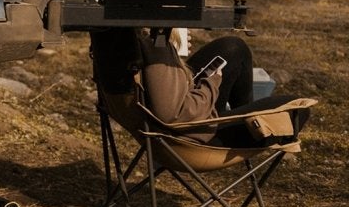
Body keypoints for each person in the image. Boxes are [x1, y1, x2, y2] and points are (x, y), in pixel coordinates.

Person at [89, 28, 265, 146]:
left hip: (155, 120)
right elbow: (173, 115)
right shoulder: (155, 42)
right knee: (288, 109)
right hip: (189, 136)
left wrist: (173, 56)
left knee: (233, 48)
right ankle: (249, 131)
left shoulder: (122, 31)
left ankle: (244, 123)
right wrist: (211, 84)